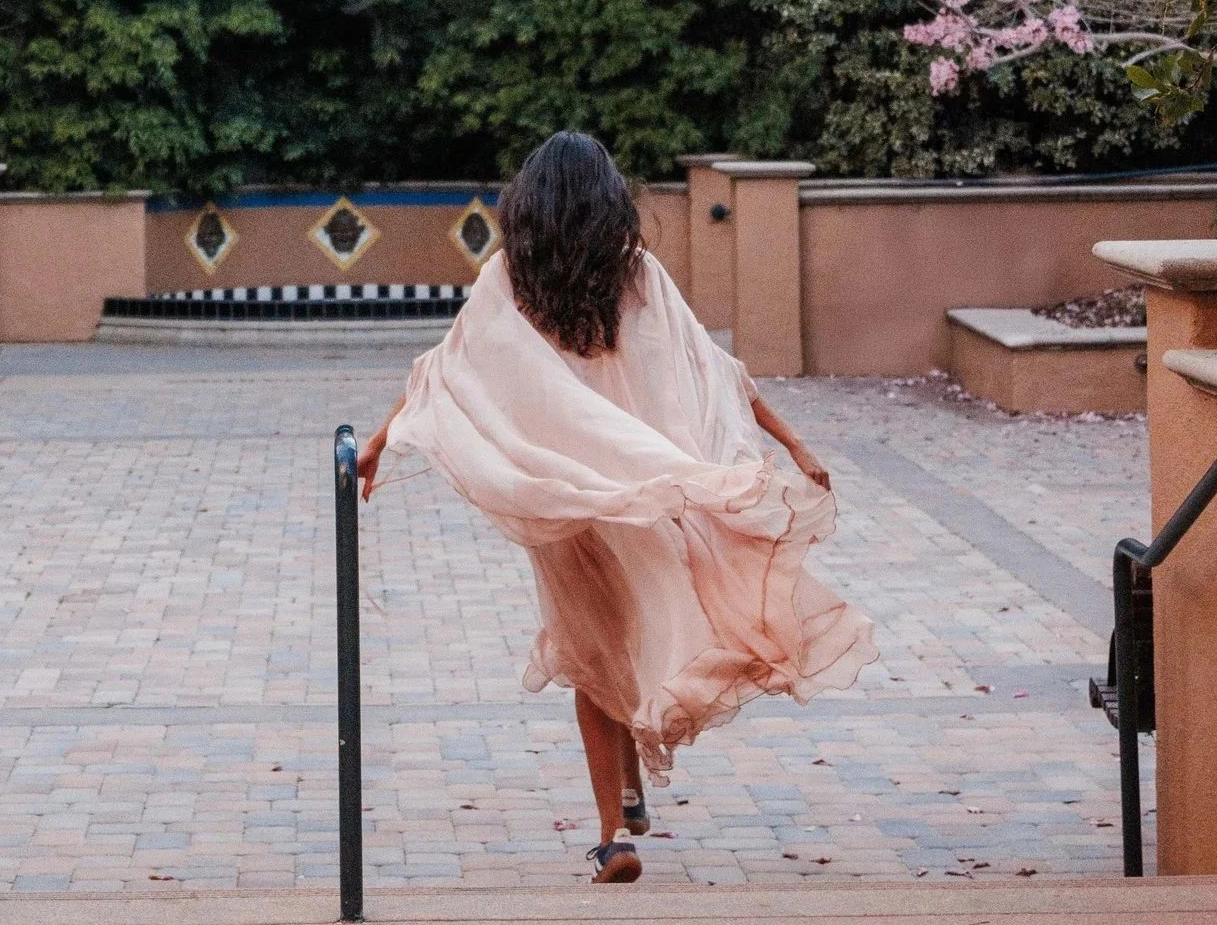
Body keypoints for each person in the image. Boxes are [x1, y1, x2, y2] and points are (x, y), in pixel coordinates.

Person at [356, 130, 873, 882]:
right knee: (627, 635)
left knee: (592, 648)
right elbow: (716, 368)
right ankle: (627, 796)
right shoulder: (636, 273)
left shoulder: (510, 278)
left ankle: (614, 835)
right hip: (642, 492)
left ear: (529, 204)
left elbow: (444, 371)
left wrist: (377, 442)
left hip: (563, 496)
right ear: (609, 201)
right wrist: (794, 443)